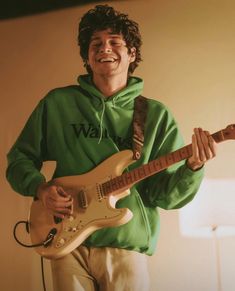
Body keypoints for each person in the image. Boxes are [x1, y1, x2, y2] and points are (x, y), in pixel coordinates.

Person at [6, 4, 216, 291]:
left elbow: (164, 196)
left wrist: (193, 167)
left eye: (115, 42)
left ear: (132, 54)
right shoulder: (57, 104)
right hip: (65, 240)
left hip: (125, 245)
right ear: (87, 56)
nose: (105, 48)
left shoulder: (155, 115)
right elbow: (19, 159)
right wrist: (41, 189)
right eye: (96, 43)